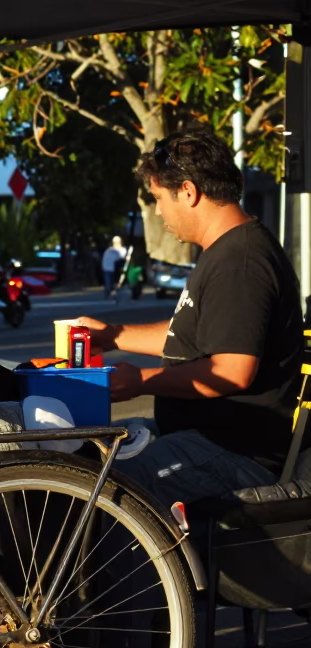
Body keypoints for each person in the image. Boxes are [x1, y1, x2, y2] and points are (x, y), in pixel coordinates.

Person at [77, 127, 303, 508]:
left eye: (158, 198)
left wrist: (141, 382)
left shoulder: (241, 261)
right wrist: (112, 335)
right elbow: (192, 337)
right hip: (201, 437)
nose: (158, 211)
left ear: (187, 191)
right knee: (82, 456)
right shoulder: (226, 251)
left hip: (233, 453)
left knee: (99, 492)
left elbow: (232, 370)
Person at [101, 235, 127, 300]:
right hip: (109, 269)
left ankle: (110, 293)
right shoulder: (110, 250)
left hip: (111, 269)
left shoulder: (120, 250)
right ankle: (109, 293)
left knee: (110, 282)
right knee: (109, 282)